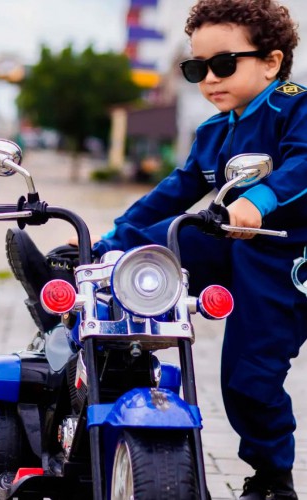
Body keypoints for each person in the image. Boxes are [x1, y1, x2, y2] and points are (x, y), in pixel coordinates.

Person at [92, 1, 305, 498]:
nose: (209, 78)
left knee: (248, 379)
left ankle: (274, 478)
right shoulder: (214, 130)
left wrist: (258, 201)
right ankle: (112, 339)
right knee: (164, 236)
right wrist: (104, 242)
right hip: (235, 249)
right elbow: (172, 190)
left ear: (271, 62)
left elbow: (303, 164)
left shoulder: (295, 105)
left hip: (286, 260)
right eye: (196, 68)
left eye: (224, 64)